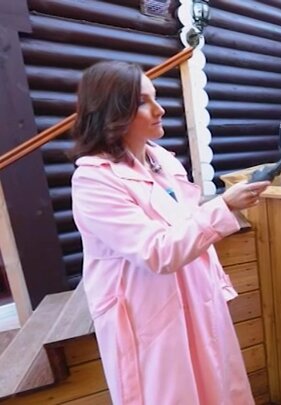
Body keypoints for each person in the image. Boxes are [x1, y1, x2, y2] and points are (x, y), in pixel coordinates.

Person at [70, 61, 270, 404]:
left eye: (156, 97)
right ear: (113, 112)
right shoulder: (94, 181)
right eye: (143, 102)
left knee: (219, 386)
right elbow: (156, 251)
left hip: (196, 299)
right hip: (147, 318)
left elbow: (186, 221)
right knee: (172, 394)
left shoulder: (163, 160)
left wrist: (216, 282)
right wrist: (225, 205)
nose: (159, 109)